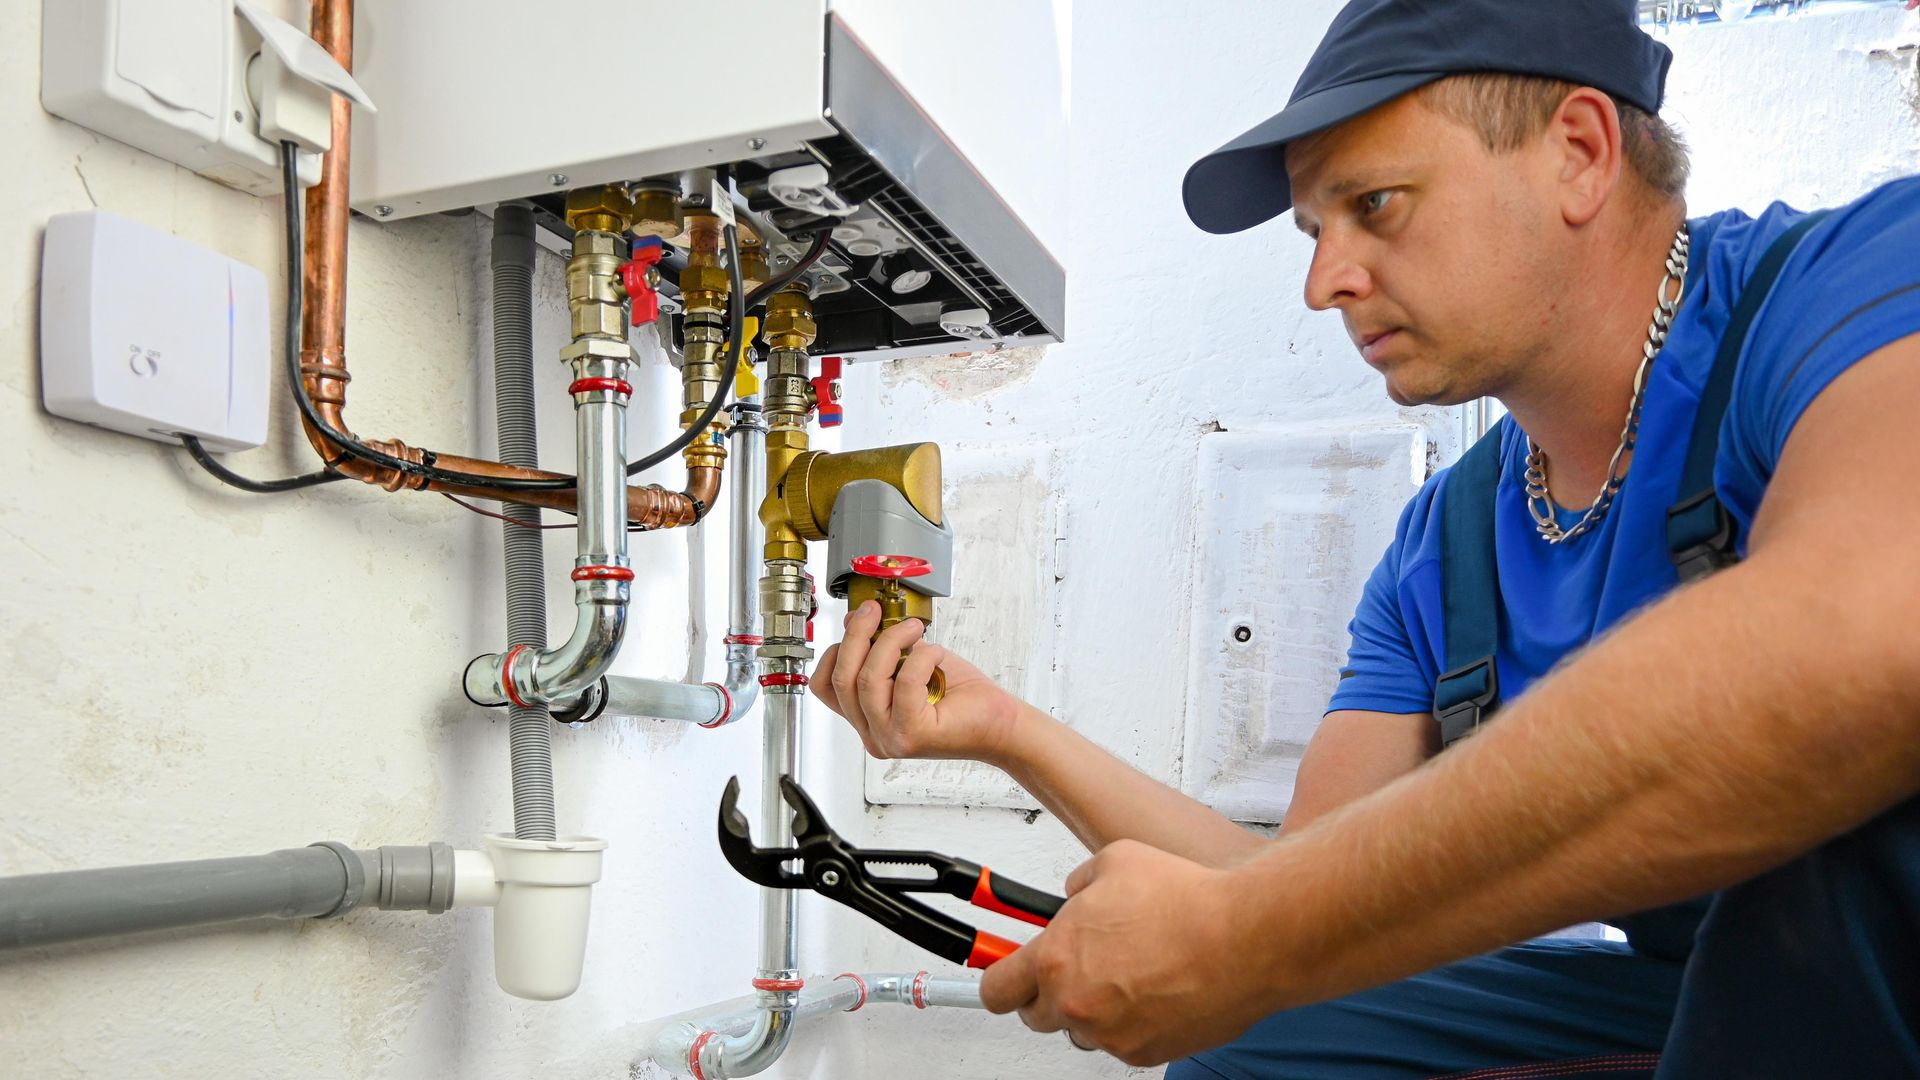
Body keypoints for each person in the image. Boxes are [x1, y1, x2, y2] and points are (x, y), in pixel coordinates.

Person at [812, 0, 1920, 1075]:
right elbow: (1306, 885)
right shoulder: (1452, 545)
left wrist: (1244, 935)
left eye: (1376, 205)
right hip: (1696, 1004)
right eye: (1314, 229)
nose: (1321, 280)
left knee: (1831, 860)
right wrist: (1009, 730)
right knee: (1252, 1032)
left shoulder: (1855, 290)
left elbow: (1861, 645)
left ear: (1579, 152)